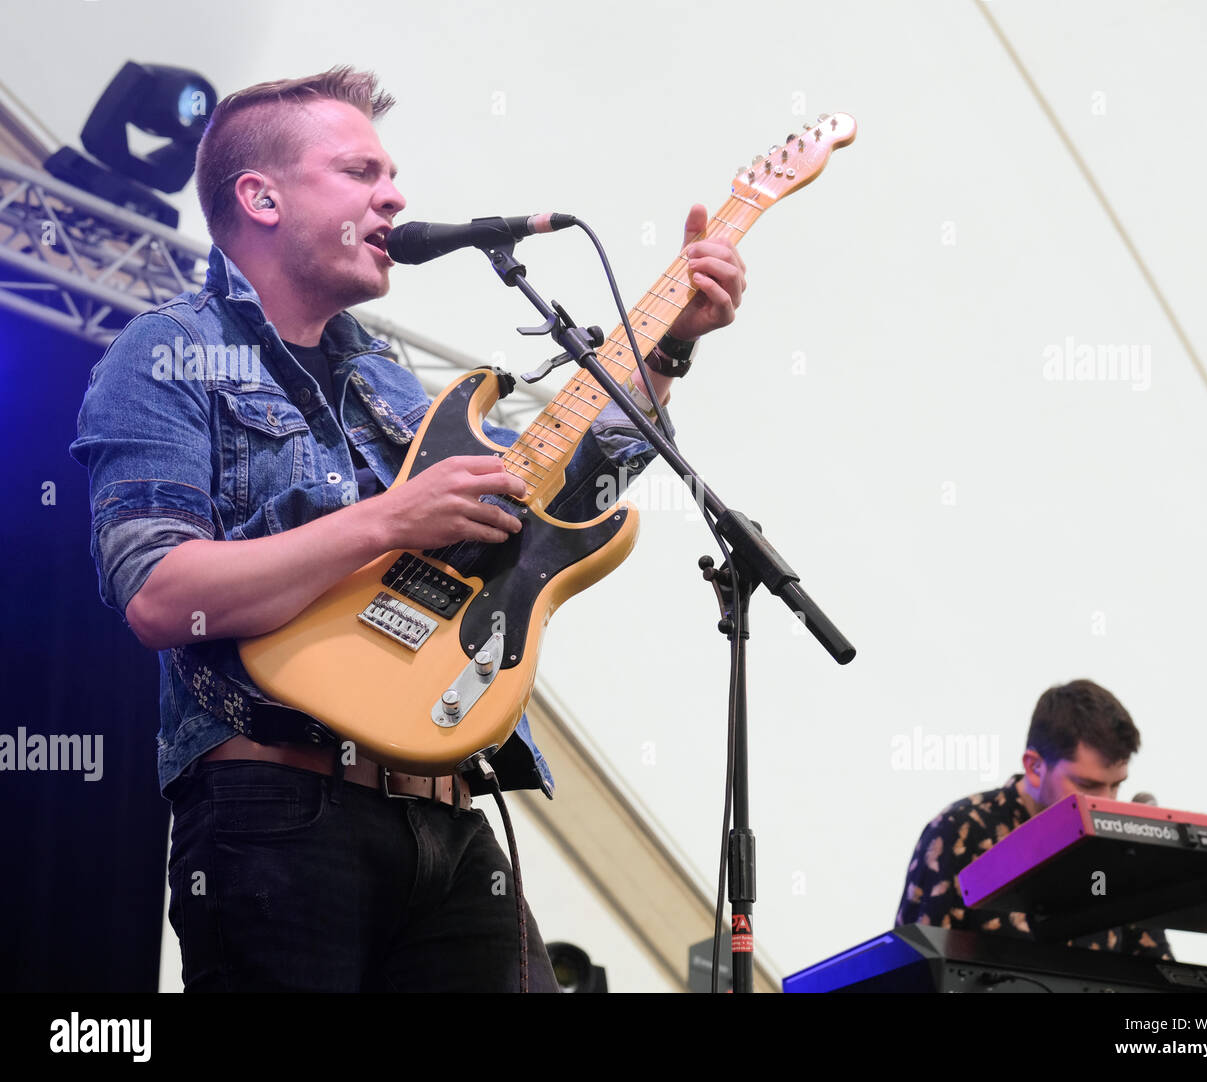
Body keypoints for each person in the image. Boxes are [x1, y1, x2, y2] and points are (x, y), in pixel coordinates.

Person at [68, 66, 747, 991]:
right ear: (260, 196)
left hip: (452, 814)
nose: (395, 195)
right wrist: (386, 521)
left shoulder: (388, 382)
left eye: (391, 175)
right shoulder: (163, 350)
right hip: (276, 806)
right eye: (359, 173)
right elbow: (158, 594)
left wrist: (669, 346)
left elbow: (564, 492)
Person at [895, 678, 1173, 958]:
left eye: (1116, 785)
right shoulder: (959, 830)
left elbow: (1156, 968)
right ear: (1035, 767)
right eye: (1087, 786)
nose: (1106, 803)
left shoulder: (1120, 844)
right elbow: (915, 968)